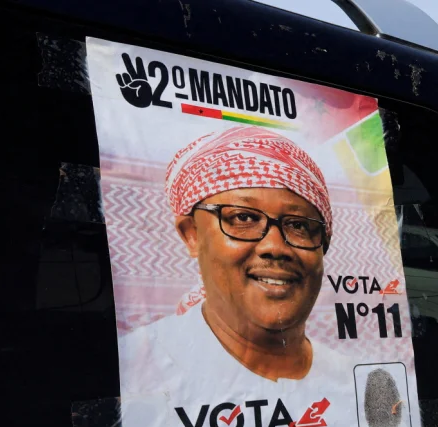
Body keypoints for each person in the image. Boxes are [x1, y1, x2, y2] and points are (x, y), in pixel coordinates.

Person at [118, 125, 351, 395]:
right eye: (244, 218)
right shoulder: (134, 373)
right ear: (192, 234)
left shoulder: (356, 380)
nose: (275, 246)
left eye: (299, 225)